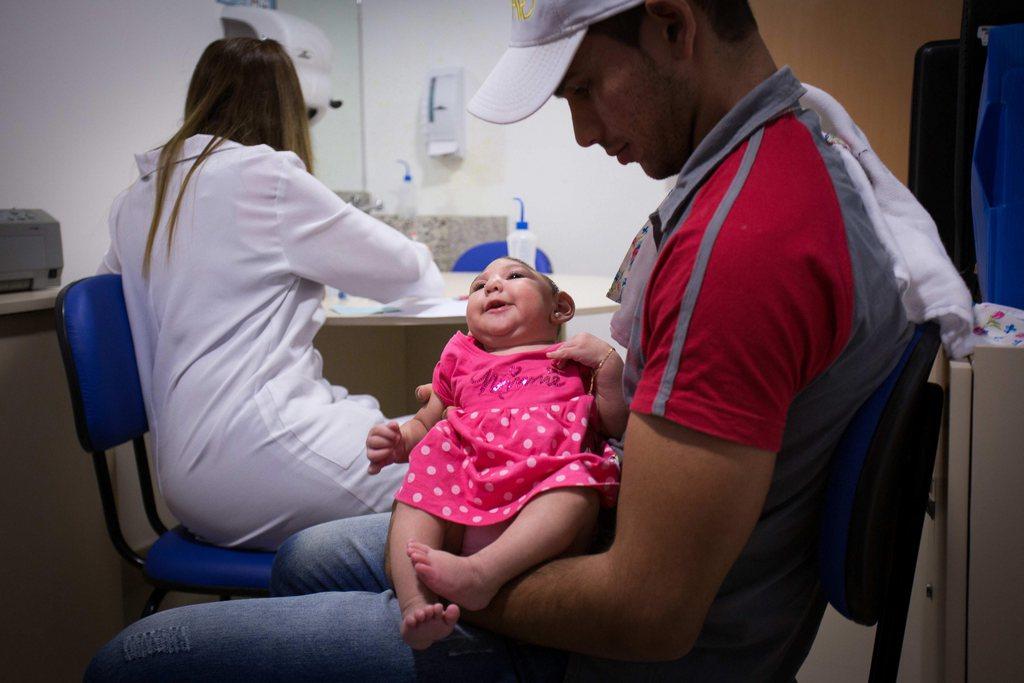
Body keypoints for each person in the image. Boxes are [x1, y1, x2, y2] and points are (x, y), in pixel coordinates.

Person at [86, 1, 913, 680]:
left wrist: (455, 589)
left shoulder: (739, 241)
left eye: (585, 88)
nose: (584, 132)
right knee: (304, 556)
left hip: (624, 653)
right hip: (628, 543)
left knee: (136, 659)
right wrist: (621, 389)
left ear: (673, 26)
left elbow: (647, 612)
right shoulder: (786, 157)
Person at [96, 37, 443, 550]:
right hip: (260, 457)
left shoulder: (135, 199)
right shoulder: (266, 175)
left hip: (183, 482)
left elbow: (112, 302)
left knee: (400, 431)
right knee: (472, 468)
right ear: (287, 107)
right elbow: (409, 272)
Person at [368, 257, 623, 649]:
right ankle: (415, 603)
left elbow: (612, 423)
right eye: (478, 285)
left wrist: (608, 367)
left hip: (542, 492)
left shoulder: (575, 359)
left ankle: (482, 574)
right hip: (466, 483)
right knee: (417, 493)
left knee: (577, 487)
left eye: (515, 276)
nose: (492, 286)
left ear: (560, 308)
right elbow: (425, 422)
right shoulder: (459, 359)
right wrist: (400, 441)